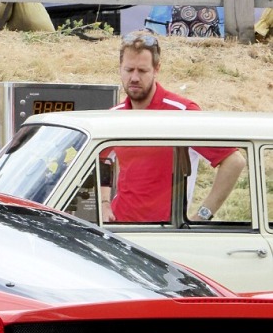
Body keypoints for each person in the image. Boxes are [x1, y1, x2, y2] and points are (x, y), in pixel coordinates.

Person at [102, 30, 246, 223]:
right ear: (120, 68)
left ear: (157, 69)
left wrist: (202, 217)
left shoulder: (182, 113)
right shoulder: (115, 115)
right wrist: (103, 203)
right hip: (119, 229)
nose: (134, 78)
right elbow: (102, 160)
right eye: (129, 70)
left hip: (166, 232)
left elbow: (234, 161)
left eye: (142, 71)